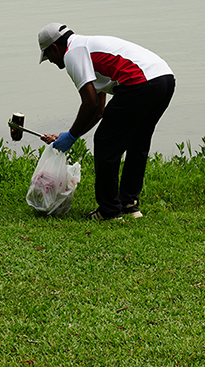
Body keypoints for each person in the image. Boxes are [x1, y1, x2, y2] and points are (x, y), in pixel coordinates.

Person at [37, 23, 175, 220]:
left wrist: (72, 135)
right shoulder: (86, 47)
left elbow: (90, 102)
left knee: (105, 142)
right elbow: (98, 110)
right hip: (164, 79)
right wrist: (70, 135)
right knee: (138, 141)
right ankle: (129, 203)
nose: (50, 61)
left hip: (140, 81)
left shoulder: (72, 54)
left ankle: (109, 210)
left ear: (54, 48)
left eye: (48, 56)